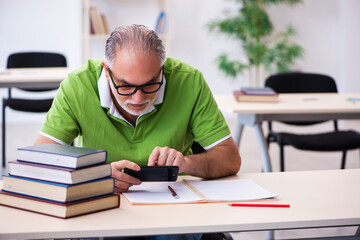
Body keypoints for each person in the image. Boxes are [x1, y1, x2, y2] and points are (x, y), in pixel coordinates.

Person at [35, 24, 241, 240]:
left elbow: (230, 159)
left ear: (162, 70)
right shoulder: (77, 86)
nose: (138, 99)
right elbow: (40, 162)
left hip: (173, 211)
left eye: (151, 84)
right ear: (106, 71)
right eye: (125, 86)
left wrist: (186, 164)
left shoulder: (189, 81)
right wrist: (97, 176)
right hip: (103, 208)